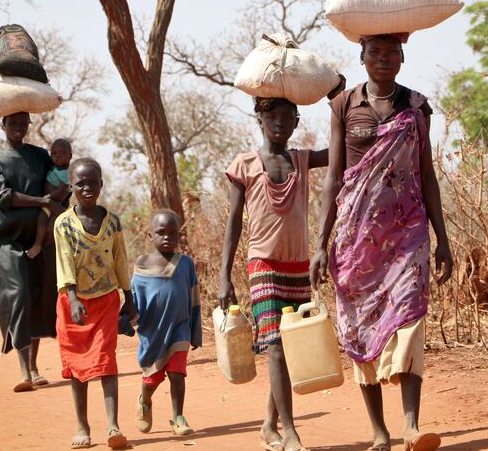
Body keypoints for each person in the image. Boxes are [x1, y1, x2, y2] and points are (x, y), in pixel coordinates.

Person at [310, 34, 454, 451]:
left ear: (403, 57)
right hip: (356, 240)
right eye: (375, 52)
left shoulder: (416, 106)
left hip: (408, 231)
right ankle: (379, 431)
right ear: (362, 58)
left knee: (410, 316)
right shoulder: (344, 105)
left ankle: (411, 425)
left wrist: (442, 237)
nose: (383, 59)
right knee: (357, 328)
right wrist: (322, 244)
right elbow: (334, 178)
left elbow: (426, 175)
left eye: (392, 52)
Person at [218, 95, 336, 451]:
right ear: (260, 118)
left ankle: (269, 424)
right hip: (263, 265)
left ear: (297, 122)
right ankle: (291, 432)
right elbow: (234, 223)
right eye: (273, 115)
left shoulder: (301, 159)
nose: (280, 122)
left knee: (288, 348)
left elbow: (339, 148)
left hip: (297, 266)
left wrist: (337, 101)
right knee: (276, 346)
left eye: (288, 116)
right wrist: (224, 276)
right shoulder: (245, 164)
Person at [53, 157, 136, 450]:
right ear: (71, 187)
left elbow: (120, 260)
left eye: (93, 183)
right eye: (80, 184)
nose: (87, 188)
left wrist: (129, 296)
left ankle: (113, 425)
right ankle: (82, 426)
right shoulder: (63, 223)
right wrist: (73, 297)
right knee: (77, 366)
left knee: (106, 362)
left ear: (101, 184)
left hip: (105, 302)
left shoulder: (112, 222)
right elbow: (64, 263)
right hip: (73, 305)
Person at [0, 111, 62, 392]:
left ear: (29, 125)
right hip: (6, 237)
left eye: (23, 123)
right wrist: (41, 200)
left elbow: (58, 183)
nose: (18, 128)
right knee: (20, 293)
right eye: (13, 123)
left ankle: (35, 367)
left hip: (39, 235)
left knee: (39, 294)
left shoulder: (39, 156)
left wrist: (58, 206)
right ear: (3, 124)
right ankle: (24, 369)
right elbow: (3, 196)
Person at [133, 210, 202, 437]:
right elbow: (134, 300)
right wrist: (126, 322)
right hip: (152, 332)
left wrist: (195, 332)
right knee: (152, 379)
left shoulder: (186, 264)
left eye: (173, 233)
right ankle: (145, 400)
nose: (167, 238)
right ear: (150, 236)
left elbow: (194, 299)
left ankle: (178, 416)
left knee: (177, 373)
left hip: (179, 328)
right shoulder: (141, 266)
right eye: (161, 233)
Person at [27, 138, 73, 259]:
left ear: (70, 155)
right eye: (54, 153)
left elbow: (61, 191)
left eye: (62, 153)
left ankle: (37, 244)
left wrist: (47, 198)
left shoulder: (68, 174)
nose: (57, 156)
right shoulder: (53, 167)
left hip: (54, 203)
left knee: (42, 218)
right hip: (47, 201)